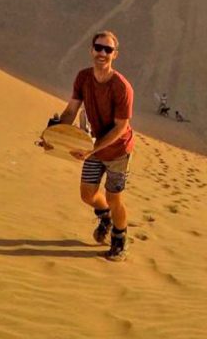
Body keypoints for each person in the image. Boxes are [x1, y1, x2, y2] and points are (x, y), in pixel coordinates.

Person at [56, 30, 135, 262]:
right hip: (93, 148)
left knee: (114, 198)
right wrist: (54, 136)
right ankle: (106, 218)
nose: (102, 53)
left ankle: (120, 238)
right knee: (87, 194)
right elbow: (71, 111)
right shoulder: (83, 78)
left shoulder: (122, 87)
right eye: (98, 48)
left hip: (118, 151)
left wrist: (93, 149)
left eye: (107, 49)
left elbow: (121, 127)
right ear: (91, 50)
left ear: (115, 55)